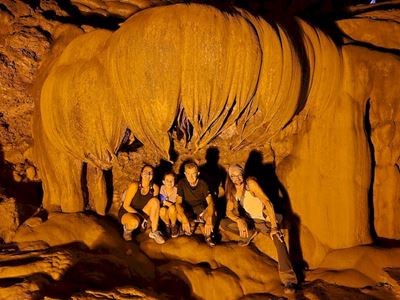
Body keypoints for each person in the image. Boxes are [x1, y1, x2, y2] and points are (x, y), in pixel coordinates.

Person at [221, 164, 297, 294]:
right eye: (233, 176)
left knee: (278, 239)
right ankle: (250, 232)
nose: (236, 178)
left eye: (238, 175)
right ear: (230, 177)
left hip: (266, 219)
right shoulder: (232, 190)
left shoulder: (250, 183)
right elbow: (228, 212)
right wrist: (239, 220)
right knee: (224, 223)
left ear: (243, 173)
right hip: (252, 221)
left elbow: (267, 202)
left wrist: (274, 226)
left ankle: (289, 280)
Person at [118, 165, 165, 244]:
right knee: (134, 222)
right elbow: (126, 205)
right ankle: (127, 230)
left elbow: (154, 207)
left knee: (155, 201)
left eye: (150, 173)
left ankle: (154, 232)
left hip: (143, 213)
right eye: (145, 172)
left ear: (153, 176)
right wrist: (141, 216)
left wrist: (148, 219)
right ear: (141, 174)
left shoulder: (155, 188)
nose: (148, 175)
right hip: (128, 212)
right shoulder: (134, 186)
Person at [176, 161, 215, 246]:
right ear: (185, 174)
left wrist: (209, 219)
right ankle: (194, 224)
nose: (191, 177)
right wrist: (184, 218)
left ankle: (206, 232)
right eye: (188, 174)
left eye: (193, 174)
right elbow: (178, 203)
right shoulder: (181, 183)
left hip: (201, 210)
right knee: (179, 215)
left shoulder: (203, 183)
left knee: (214, 213)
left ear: (198, 173)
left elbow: (210, 203)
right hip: (189, 210)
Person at [159, 172, 179, 238]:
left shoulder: (177, 189)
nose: (169, 182)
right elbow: (162, 201)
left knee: (172, 208)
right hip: (165, 211)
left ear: (174, 181)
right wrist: (166, 203)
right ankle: (167, 225)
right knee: (162, 210)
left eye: (171, 181)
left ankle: (173, 226)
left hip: (174, 211)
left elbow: (178, 203)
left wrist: (168, 203)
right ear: (163, 181)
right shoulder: (162, 188)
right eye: (167, 180)